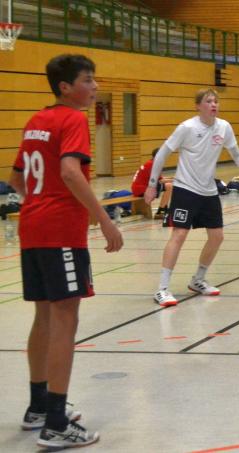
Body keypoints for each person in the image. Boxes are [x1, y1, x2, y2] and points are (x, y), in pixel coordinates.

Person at [9, 54, 123, 449]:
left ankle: (38, 406)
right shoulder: (73, 120)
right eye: (88, 81)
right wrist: (103, 219)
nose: (94, 87)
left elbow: (16, 178)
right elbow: (71, 171)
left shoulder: (37, 121)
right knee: (65, 319)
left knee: (44, 317)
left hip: (32, 229)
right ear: (66, 87)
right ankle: (56, 421)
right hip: (60, 232)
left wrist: (38, 204)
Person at [144, 88, 239, 306]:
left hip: (208, 191)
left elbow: (236, 153)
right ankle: (162, 289)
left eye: (216, 101)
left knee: (217, 236)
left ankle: (198, 279)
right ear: (198, 106)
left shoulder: (224, 127)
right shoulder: (187, 128)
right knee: (179, 235)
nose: (214, 104)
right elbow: (162, 154)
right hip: (185, 189)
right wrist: (152, 185)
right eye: (209, 101)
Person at [131, 148, 172, 219]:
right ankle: (161, 211)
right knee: (169, 186)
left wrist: (173, 179)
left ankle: (163, 209)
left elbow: (160, 179)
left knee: (169, 185)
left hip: (139, 188)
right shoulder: (152, 165)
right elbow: (160, 181)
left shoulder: (151, 163)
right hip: (141, 189)